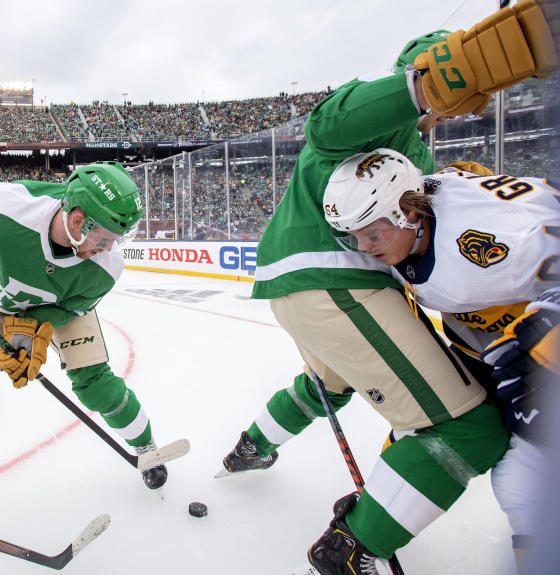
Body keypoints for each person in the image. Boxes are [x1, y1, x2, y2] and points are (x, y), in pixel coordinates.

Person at [218, 1, 558, 572]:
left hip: (302, 286)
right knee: (468, 426)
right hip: (338, 283)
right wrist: (430, 84)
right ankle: (354, 547)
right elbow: (329, 121)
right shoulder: (390, 118)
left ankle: (252, 445)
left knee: (329, 381)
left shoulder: (418, 151)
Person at [321, 149, 560, 571]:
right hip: (493, 343)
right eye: (352, 236)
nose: (363, 248)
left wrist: (549, 327)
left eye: (372, 233)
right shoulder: (423, 205)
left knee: (523, 484)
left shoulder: (478, 248)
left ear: (408, 214)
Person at [0, 161, 171, 490]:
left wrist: (31, 330)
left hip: (56, 307)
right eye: (106, 239)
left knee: (95, 383)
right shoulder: (6, 205)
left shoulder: (106, 268)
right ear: (79, 220)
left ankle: (146, 445)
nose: (108, 249)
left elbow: (68, 309)